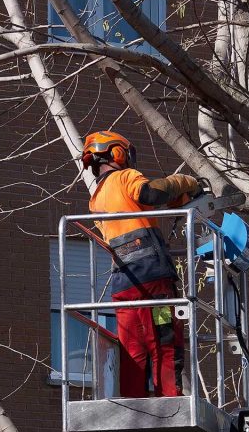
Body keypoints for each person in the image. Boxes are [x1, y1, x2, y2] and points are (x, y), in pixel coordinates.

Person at [82, 130, 201, 398]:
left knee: (133, 350)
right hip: (153, 285)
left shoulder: (97, 198)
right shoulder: (125, 177)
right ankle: (170, 402)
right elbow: (150, 193)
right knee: (164, 341)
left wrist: (178, 198)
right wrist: (185, 181)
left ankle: (134, 406)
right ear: (117, 153)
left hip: (125, 287)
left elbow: (141, 207)